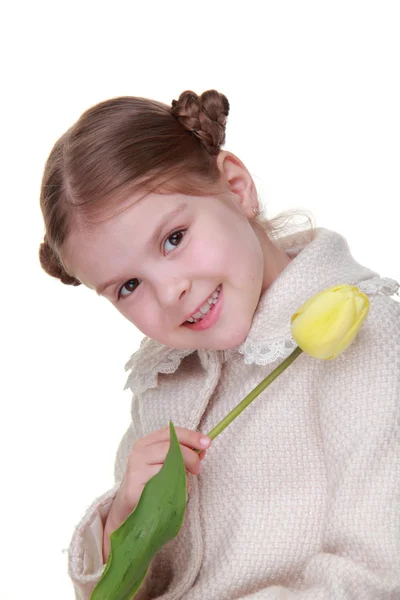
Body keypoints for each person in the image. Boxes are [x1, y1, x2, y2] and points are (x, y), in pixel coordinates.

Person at [38, 90, 400, 599]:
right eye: (128, 286)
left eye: (173, 238)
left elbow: (378, 575)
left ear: (236, 187)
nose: (169, 293)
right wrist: (124, 520)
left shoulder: (370, 339)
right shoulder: (166, 381)